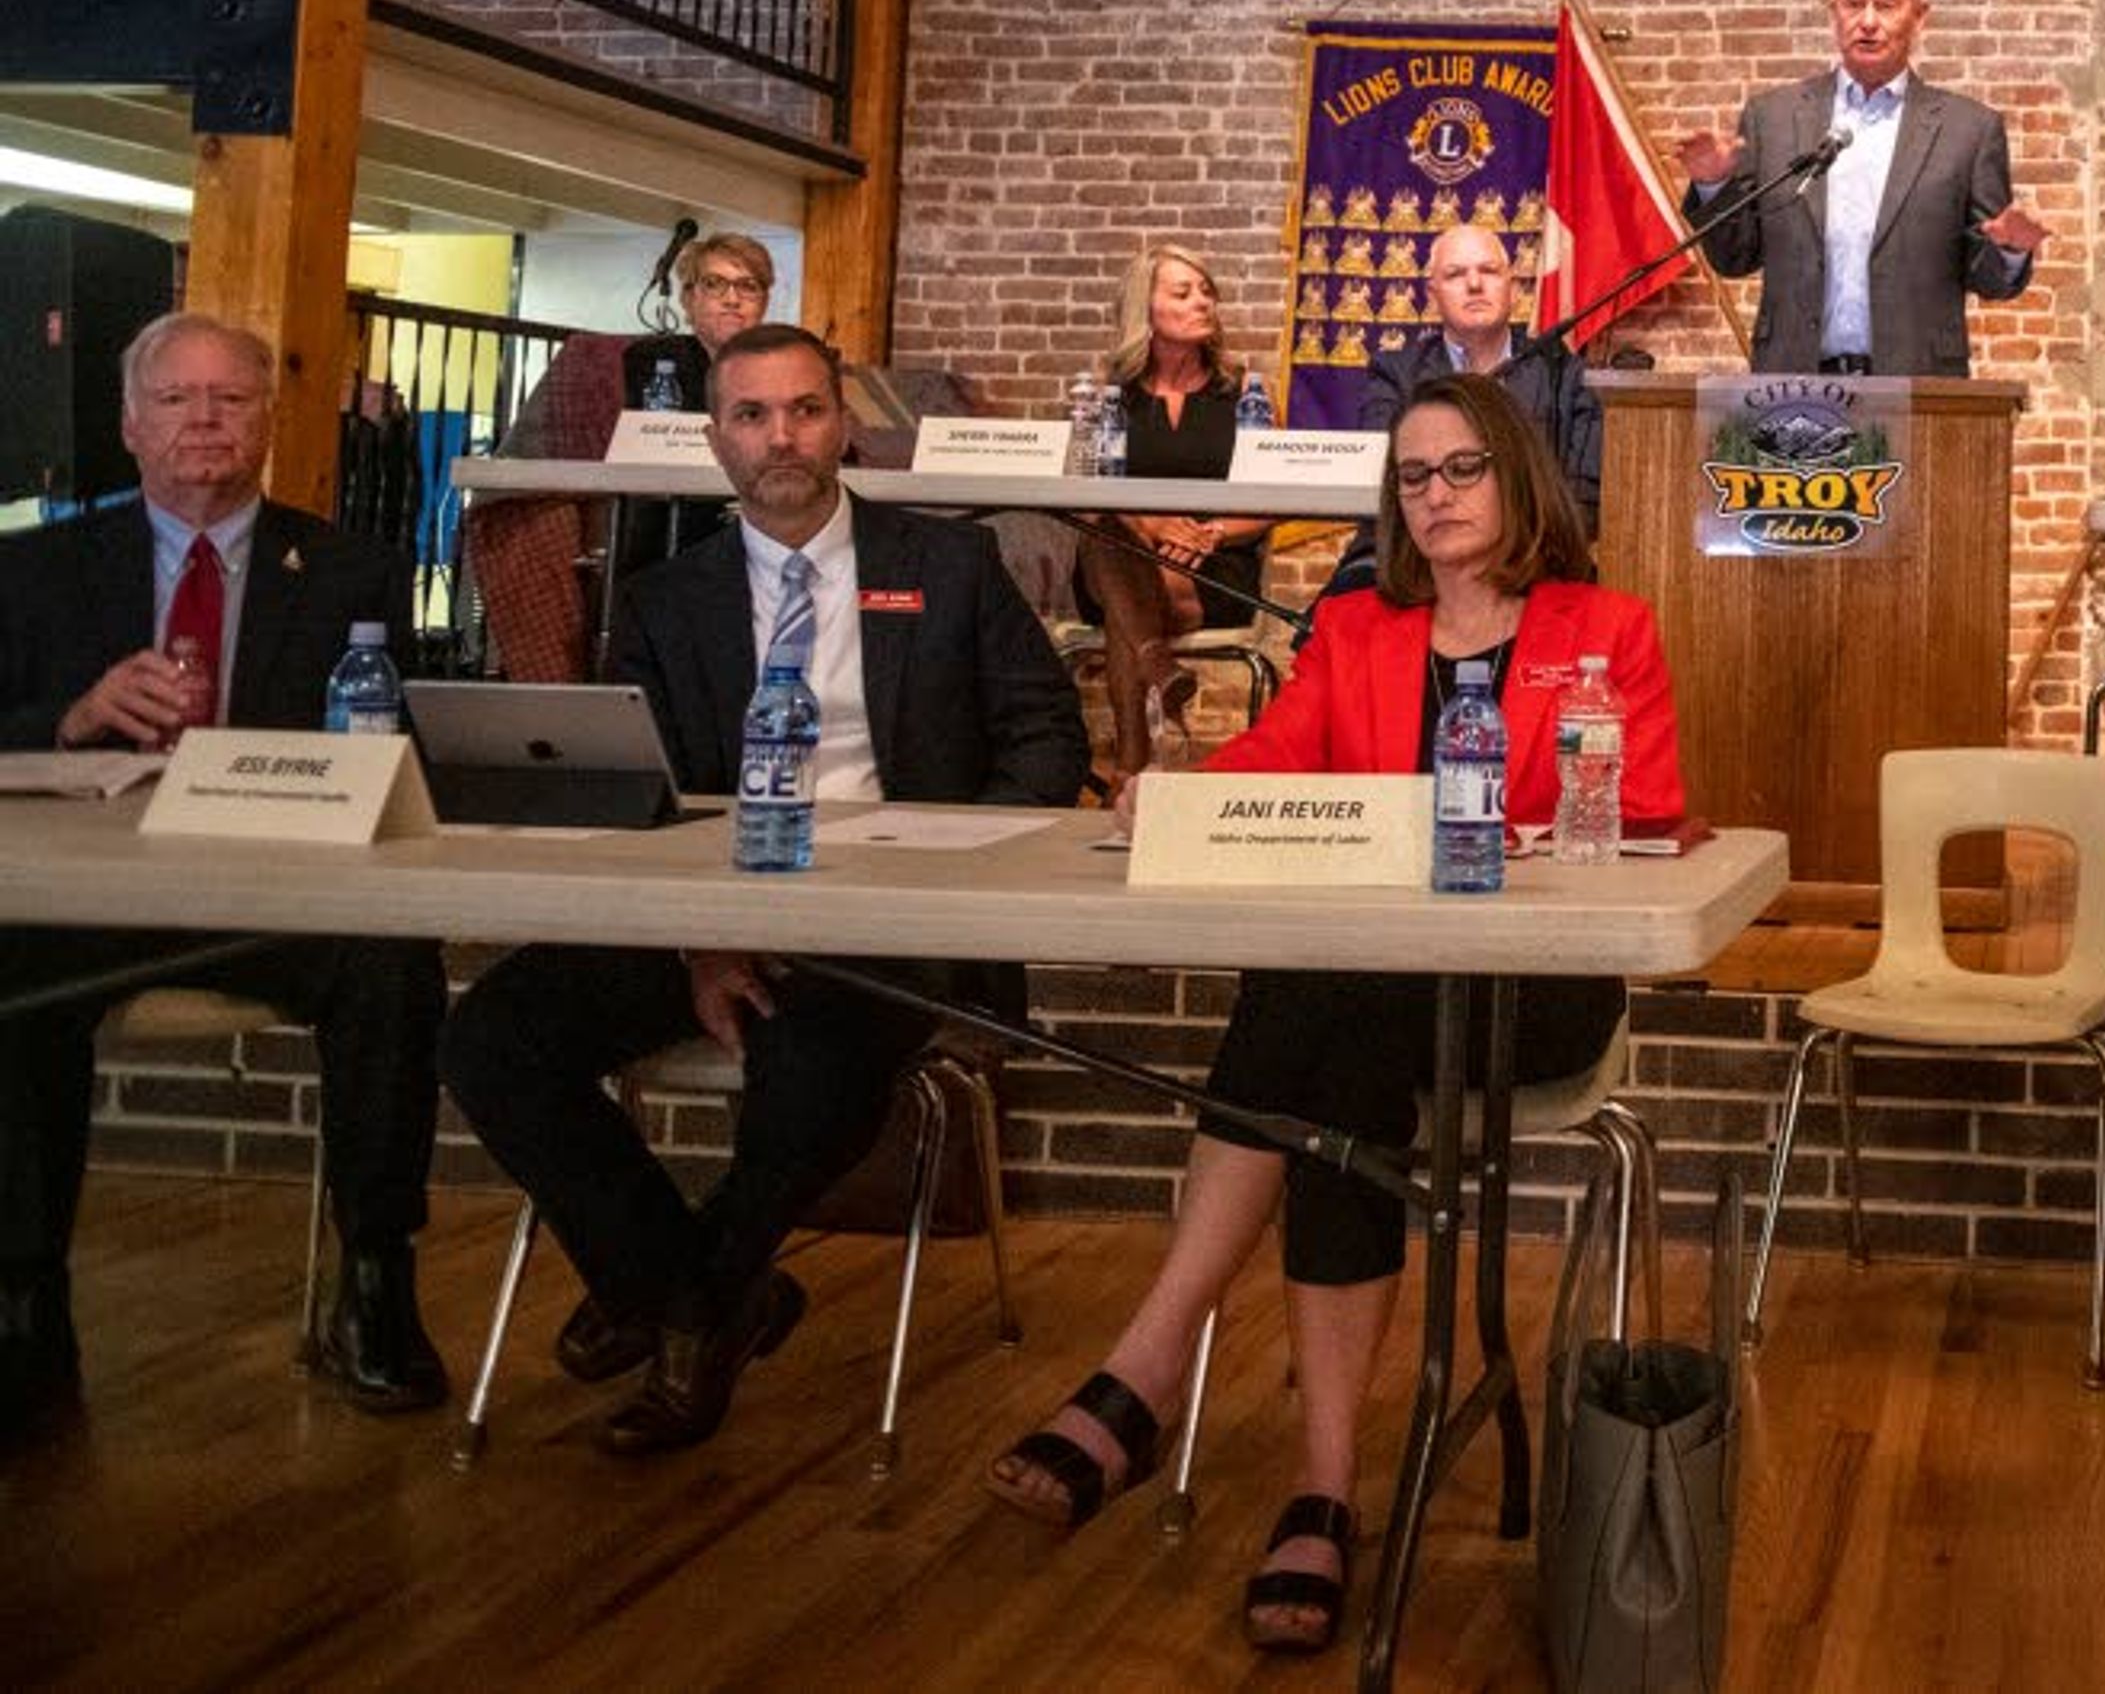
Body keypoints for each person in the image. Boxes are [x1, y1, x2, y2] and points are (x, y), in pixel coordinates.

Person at [983, 372, 1682, 1656]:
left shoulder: (1607, 623)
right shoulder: (1357, 626)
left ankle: (1155, 1365)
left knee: (1311, 1008)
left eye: (1461, 469)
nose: (1436, 497)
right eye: (1413, 478)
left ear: (1518, 476)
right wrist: (1172, 794)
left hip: (1540, 987)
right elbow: (1277, 758)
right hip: (1371, 990)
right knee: (1335, 1039)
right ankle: (1321, 1486)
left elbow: (1647, 811)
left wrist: (1522, 831)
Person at [439, 324, 1084, 1457]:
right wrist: (704, 941)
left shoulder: (947, 565)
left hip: (899, 916)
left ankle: (688, 1300)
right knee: (493, 1036)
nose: (780, 437)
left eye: (803, 410)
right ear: (715, 439)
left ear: (841, 423)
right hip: (711, 908)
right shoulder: (659, 600)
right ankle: (697, 1287)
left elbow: (1047, 734)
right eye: (751, 416)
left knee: (808, 1062)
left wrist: (948, 857)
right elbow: (649, 792)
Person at [0, 313, 451, 1439]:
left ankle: (376, 1281)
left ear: (266, 420)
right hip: (98, 891)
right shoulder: (37, 567)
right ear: (128, 425)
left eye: (230, 400)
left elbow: (399, 749)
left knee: (393, 959)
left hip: (275, 894)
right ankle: (21, 1302)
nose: (202, 422)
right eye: (176, 400)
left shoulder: (356, 570)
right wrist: (74, 714)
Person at [1674, 0, 2052, 378]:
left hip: (1921, 386)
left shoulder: (1969, 130)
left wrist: (2008, 251)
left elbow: (1987, 278)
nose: (1867, 21)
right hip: (1794, 384)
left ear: (1919, 16)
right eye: (1853, 4)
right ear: (1833, 11)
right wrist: (1713, 186)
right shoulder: (1771, 118)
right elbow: (1735, 258)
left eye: (1886, 5)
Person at [462, 229, 780, 683]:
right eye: (715, 284)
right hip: (650, 551)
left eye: (748, 286)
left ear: (764, 302)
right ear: (688, 300)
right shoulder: (639, 364)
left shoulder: (785, 370)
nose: (733, 299)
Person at [1078, 243, 1278, 779]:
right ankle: (1157, 666)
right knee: (1109, 535)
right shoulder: (1111, 398)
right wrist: (1148, 525)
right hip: (1119, 558)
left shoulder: (1243, 395)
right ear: (1145, 307)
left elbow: (1273, 499)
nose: (1202, 303)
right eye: (1183, 292)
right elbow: (1088, 490)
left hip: (1216, 566)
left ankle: (1131, 764)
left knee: (1131, 598)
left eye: (1207, 292)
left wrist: (1209, 533)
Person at [1325, 223, 1604, 592]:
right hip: (1419, 565)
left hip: (1535, 563)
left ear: (1512, 285)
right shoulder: (1396, 374)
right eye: (1456, 274)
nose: (1475, 285)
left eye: (1489, 271)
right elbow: (1389, 481)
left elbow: (1585, 496)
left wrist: (1505, 550)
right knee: (1339, 613)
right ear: (1433, 293)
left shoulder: (1563, 370)